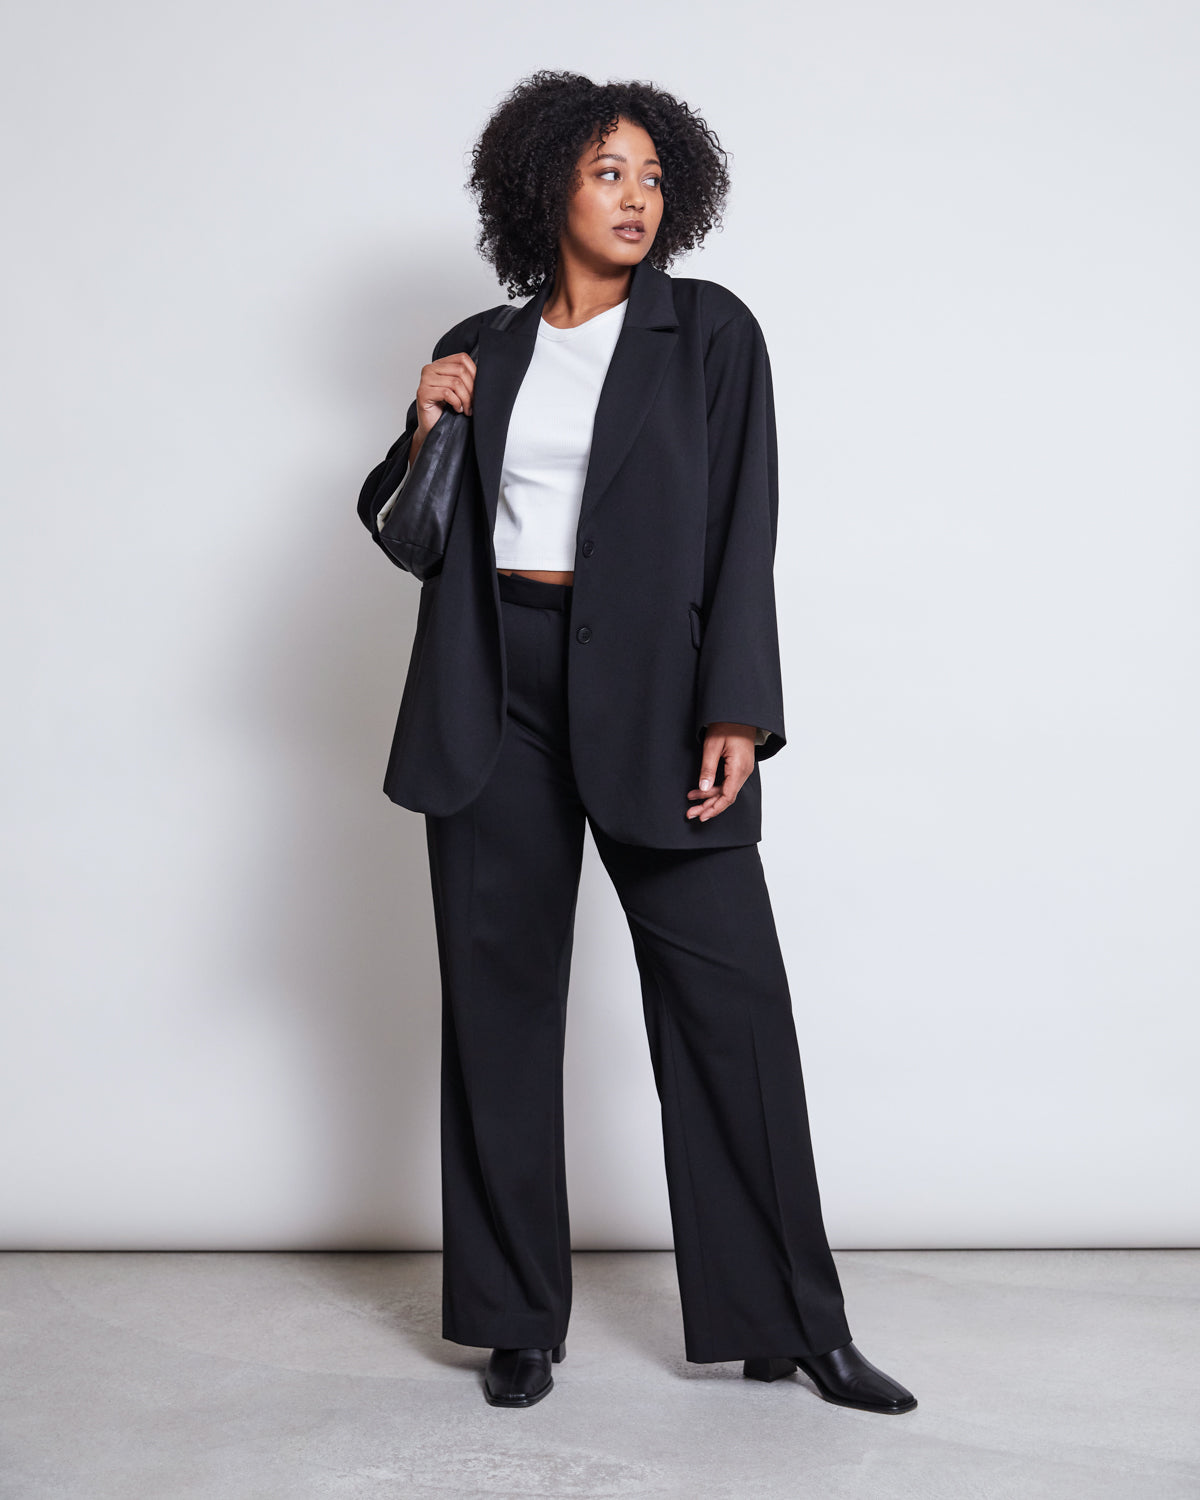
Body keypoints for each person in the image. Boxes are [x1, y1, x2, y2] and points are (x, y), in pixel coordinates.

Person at [357, 70, 917, 1415]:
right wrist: (427, 424)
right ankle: (512, 1319)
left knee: (732, 1009)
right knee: (499, 1013)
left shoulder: (708, 334)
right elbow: (412, 537)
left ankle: (793, 1322)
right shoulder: (480, 346)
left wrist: (739, 707)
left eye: (653, 177)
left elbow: (745, 529)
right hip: (495, 694)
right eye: (609, 173)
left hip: (665, 698)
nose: (634, 197)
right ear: (546, 185)